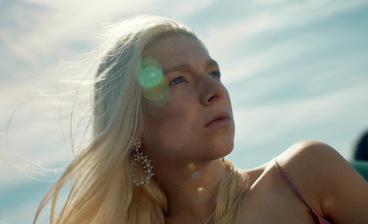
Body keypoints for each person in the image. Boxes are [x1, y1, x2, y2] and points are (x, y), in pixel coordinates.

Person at [34, 15, 368, 224]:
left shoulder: (305, 175)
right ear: (133, 127)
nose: (215, 91)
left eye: (214, 72)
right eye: (177, 80)